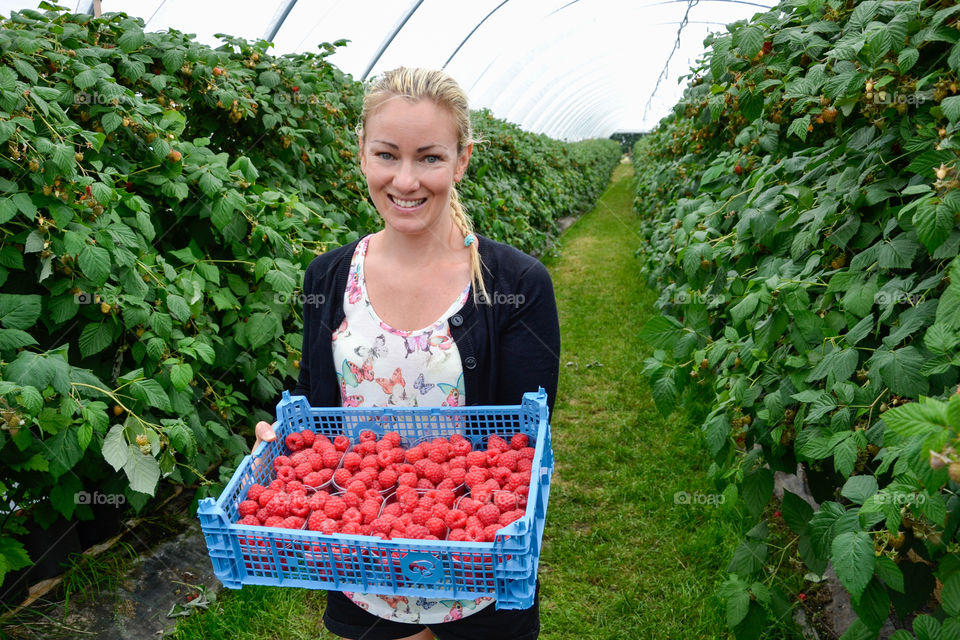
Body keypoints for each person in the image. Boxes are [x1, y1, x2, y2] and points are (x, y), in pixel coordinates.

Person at [253, 67, 560, 640]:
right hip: (361, 558)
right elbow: (315, 403)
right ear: (363, 157)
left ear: (462, 160)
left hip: (477, 564)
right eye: (387, 155)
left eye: (430, 158)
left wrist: (463, 518)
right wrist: (282, 440)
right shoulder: (328, 276)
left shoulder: (515, 283)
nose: (406, 180)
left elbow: (523, 444)